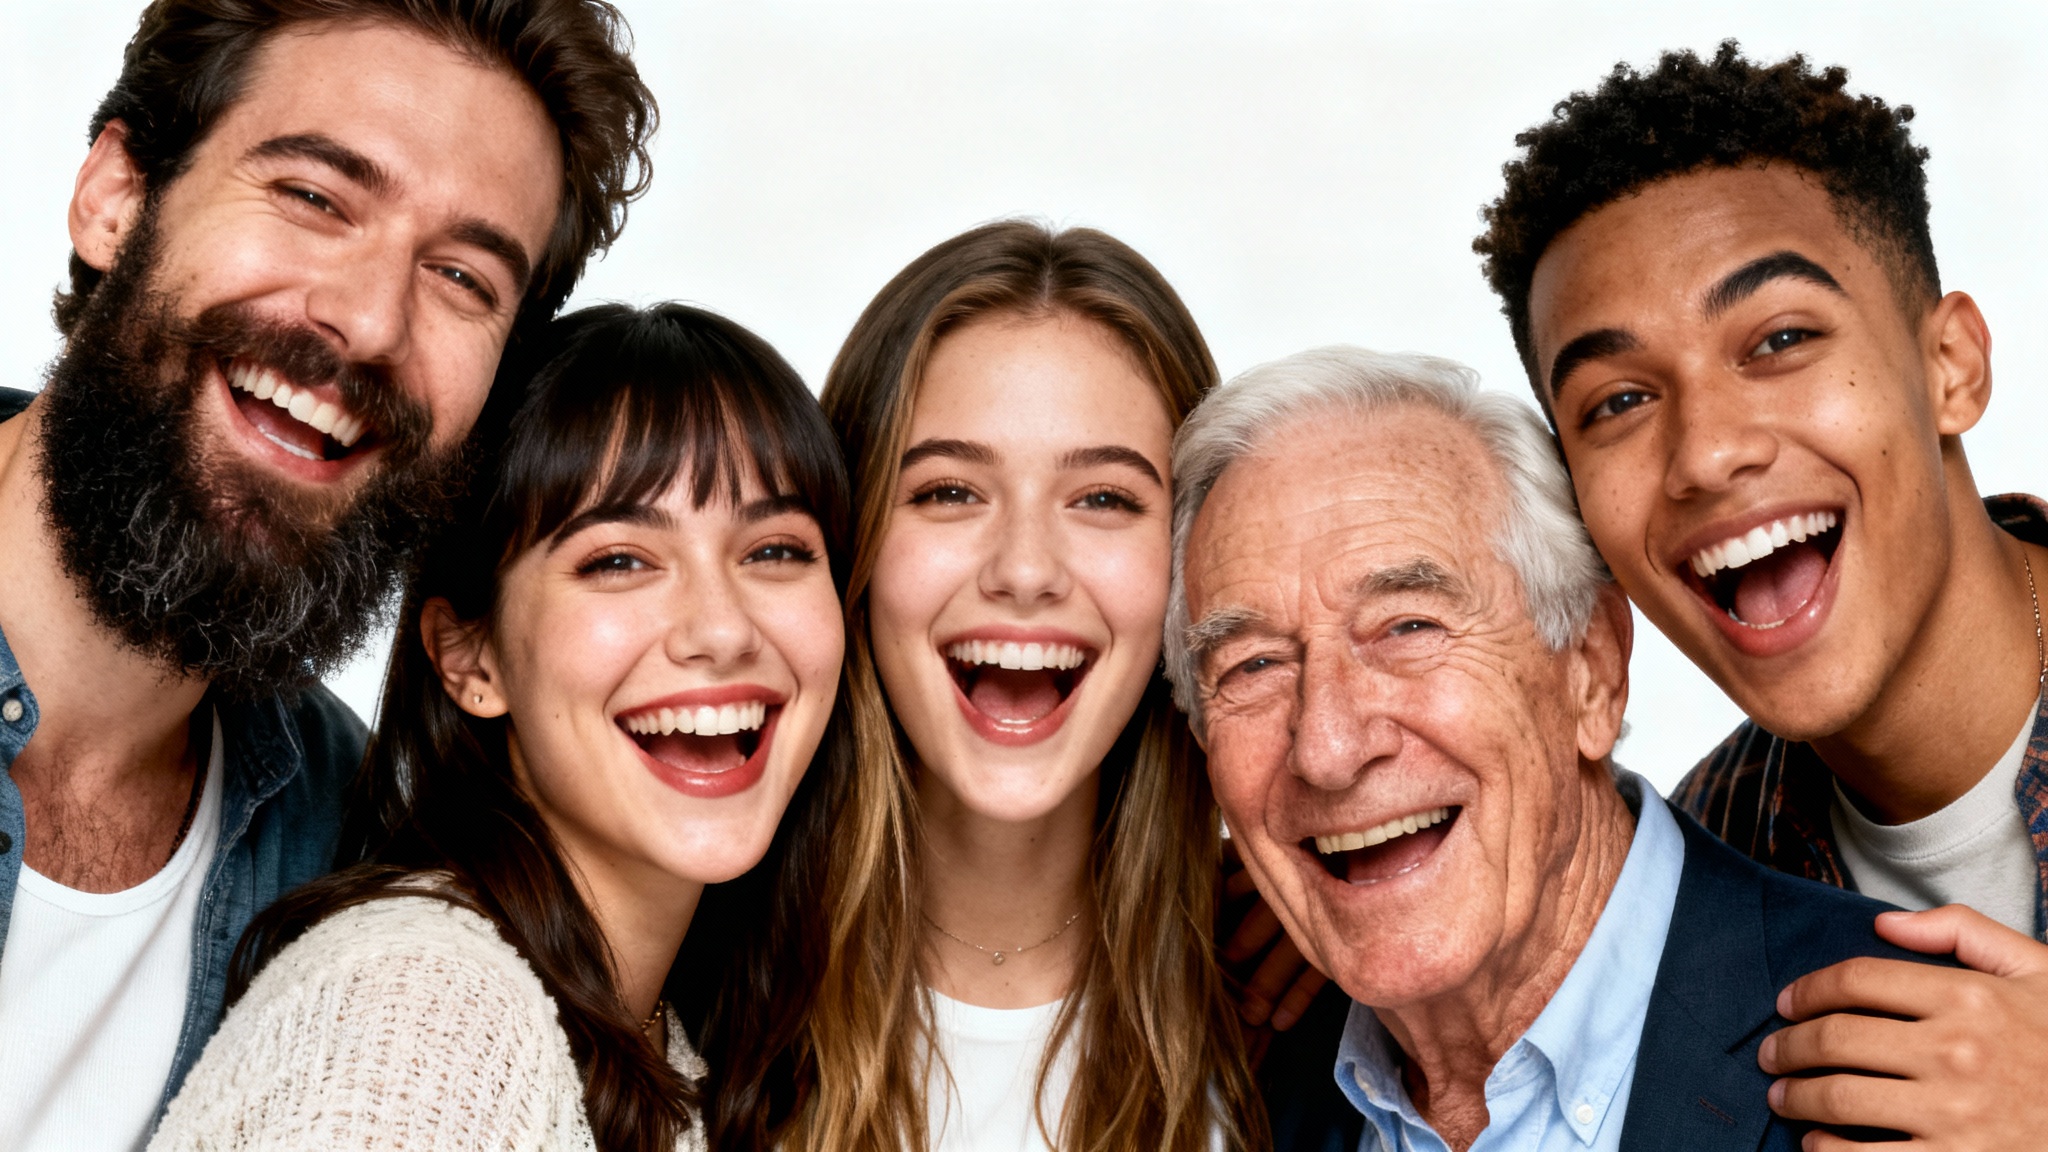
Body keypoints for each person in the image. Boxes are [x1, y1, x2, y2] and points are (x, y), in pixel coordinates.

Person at [0, 3, 654, 1147]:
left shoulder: (349, 852)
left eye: (461, 277)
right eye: (313, 198)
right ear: (116, 196)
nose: (364, 322)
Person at [1165, 345, 1953, 1152]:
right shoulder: (1225, 1075)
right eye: (1251, 666)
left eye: (1409, 628)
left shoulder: (1927, 1064)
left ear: (1591, 671)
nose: (1327, 749)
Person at [1474, 43, 2048, 1145]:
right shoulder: (1700, 863)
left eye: (1778, 340)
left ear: (1949, 368)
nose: (1704, 454)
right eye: (1618, 401)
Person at [146, 303, 849, 1151]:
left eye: (775, 551)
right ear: (470, 660)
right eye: (619, 561)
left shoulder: (667, 1031)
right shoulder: (421, 1018)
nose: (723, 630)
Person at [790, 220, 1263, 1152]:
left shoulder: (1299, 1014)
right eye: (948, 492)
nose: (1024, 569)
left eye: (1104, 499)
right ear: (851, 546)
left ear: (1190, 561)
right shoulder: (688, 994)